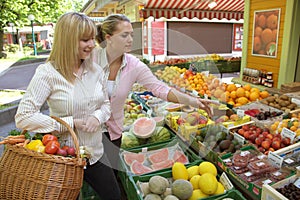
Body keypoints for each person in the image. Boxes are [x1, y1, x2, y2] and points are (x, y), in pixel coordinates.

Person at [15, 12, 120, 200]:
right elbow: (23, 117)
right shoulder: (47, 74)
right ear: (68, 40)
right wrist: (71, 122)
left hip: (95, 154)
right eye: (85, 40)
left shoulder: (96, 71)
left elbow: (105, 105)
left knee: (114, 196)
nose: (91, 45)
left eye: (92, 39)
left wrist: (97, 117)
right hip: (63, 157)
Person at [93, 14, 218, 171]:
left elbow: (159, 88)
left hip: (114, 133)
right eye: (124, 35)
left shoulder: (134, 64)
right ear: (108, 38)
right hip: (89, 132)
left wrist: (194, 101)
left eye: (132, 35)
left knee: (112, 174)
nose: (130, 39)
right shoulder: (91, 59)